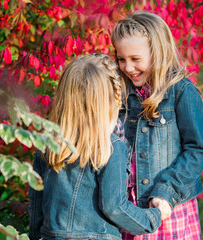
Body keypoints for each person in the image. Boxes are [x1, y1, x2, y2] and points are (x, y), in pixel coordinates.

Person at [29, 54, 170, 240]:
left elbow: (36, 205)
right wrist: (153, 217)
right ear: (111, 100)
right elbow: (115, 207)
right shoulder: (110, 148)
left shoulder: (48, 146)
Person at [111, 11, 203, 239]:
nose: (127, 67)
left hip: (165, 208)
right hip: (127, 209)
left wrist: (167, 191)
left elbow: (196, 151)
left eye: (136, 59)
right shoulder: (119, 93)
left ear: (158, 54)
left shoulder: (181, 92)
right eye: (121, 59)